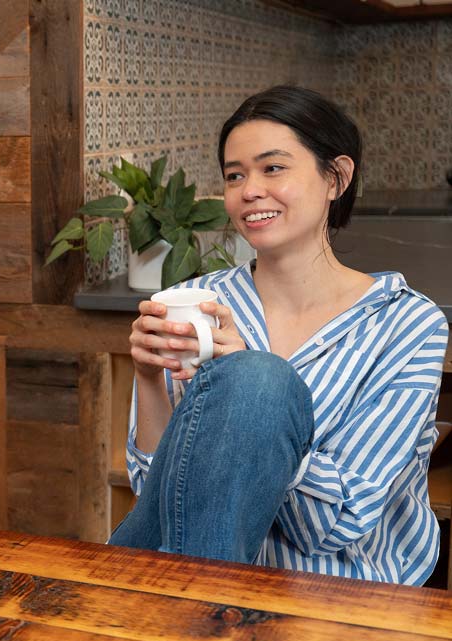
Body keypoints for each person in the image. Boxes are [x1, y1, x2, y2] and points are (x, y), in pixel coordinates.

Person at [109, 85, 447, 585]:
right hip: (184, 570)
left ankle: (195, 611)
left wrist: (248, 395)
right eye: (234, 175)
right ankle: (204, 611)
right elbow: (154, 493)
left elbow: (341, 522)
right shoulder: (192, 303)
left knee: (257, 380)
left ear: (337, 178)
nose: (249, 190)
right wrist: (147, 377)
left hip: (332, 591)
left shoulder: (406, 325)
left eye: (272, 168)